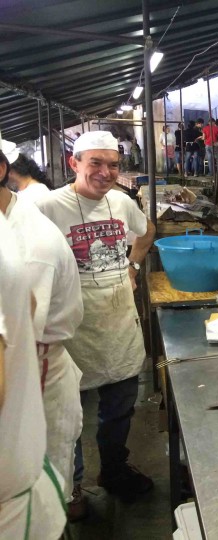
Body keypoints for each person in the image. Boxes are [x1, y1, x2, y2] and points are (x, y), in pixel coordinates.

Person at [36, 131, 157, 517]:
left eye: (113, 165)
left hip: (118, 323)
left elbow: (147, 230)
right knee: (67, 416)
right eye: (96, 163)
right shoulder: (47, 207)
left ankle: (114, 470)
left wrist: (133, 266)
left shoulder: (121, 202)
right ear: (74, 163)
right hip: (72, 330)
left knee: (120, 406)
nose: (105, 173)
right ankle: (71, 488)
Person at [1, 138, 84, 519]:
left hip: (34, 373)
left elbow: (16, 350)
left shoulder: (29, 247)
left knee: (36, 499)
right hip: (26, 369)